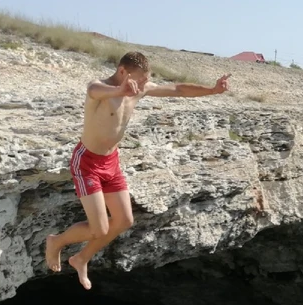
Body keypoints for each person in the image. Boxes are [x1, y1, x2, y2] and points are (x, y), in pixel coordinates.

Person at [45, 51, 230, 289]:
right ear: (122, 72)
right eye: (139, 79)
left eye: (145, 80)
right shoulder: (100, 88)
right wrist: (120, 91)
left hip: (111, 161)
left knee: (123, 220)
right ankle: (56, 242)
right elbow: (94, 91)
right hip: (87, 163)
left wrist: (212, 90)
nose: (143, 85)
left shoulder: (139, 89)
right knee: (98, 228)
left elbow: (179, 90)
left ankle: (81, 258)